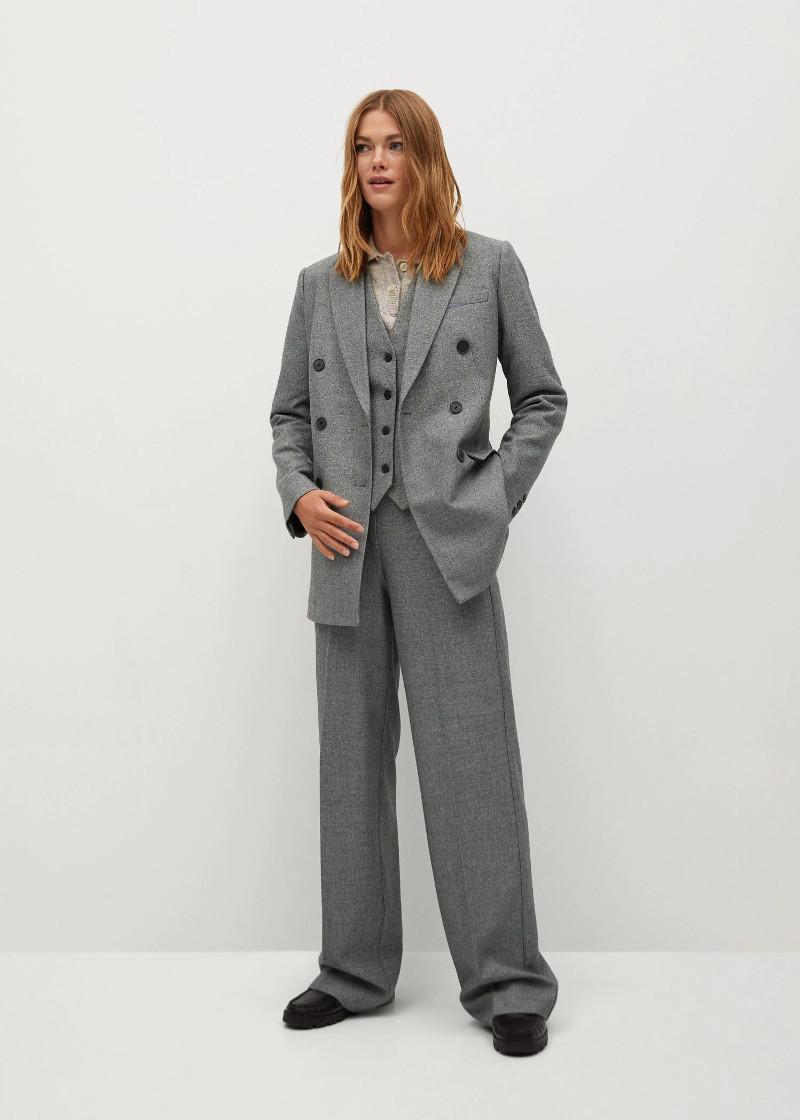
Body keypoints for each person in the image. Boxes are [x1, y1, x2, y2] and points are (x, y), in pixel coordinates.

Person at [270, 89, 568, 1056]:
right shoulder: (319, 285)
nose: (376, 161)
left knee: (471, 761)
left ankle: (509, 981)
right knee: (350, 764)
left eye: (395, 145)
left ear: (425, 157)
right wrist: (299, 494)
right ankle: (353, 972)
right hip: (345, 545)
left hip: (448, 543)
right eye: (363, 146)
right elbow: (287, 417)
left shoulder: (489, 266)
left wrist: (492, 496)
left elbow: (543, 397)